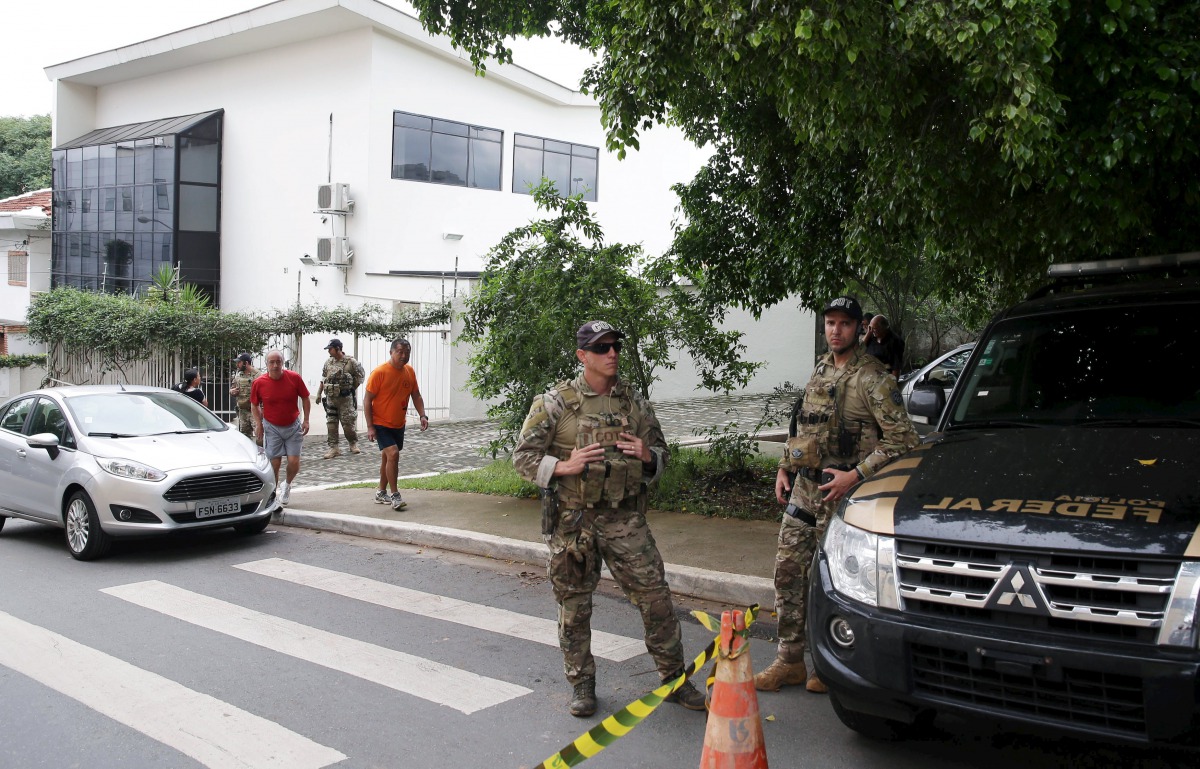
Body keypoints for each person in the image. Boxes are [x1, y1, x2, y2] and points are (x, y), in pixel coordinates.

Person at [512, 320, 706, 717]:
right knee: (574, 606)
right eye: (601, 348)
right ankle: (582, 684)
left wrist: (649, 456)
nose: (612, 353)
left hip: (625, 520)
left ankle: (674, 680)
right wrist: (565, 465)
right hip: (573, 523)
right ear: (583, 356)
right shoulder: (555, 403)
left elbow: (663, 455)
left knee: (656, 600)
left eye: (615, 345)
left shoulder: (634, 404)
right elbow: (522, 458)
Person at [757, 297, 918, 695]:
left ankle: (826, 663)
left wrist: (854, 476)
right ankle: (789, 660)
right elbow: (805, 425)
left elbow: (904, 441)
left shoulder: (875, 378)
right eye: (830, 323)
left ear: (860, 328)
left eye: (844, 324)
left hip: (846, 498)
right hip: (807, 489)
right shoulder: (822, 368)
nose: (835, 331)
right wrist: (785, 467)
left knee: (834, 582)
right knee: (788, 573)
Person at [363, 338, 428, 511]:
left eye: (407, 352)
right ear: (391, 352)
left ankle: (381, 492)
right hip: (380, 422)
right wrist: (370, 426)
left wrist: (423, 415)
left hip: (398, 423)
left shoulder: (409, 372)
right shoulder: (380, 372)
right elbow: (367, 400)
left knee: (387, 457)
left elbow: (416, 395)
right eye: (400, 352)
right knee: (393, 454)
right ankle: (395, 495)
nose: (404, 355)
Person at [250, 350, 311, 509]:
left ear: (283, 363)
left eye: (278, 361)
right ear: (266, 364)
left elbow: (305, 397)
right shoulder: (259, 382)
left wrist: (306, 420)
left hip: (292, 425)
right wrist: (259, 424)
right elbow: (254, 404)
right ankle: (273, 497)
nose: (275, 365)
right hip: (272, 427)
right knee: (274, 463)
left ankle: (287, 484)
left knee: (293, 461)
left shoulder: (294, 378)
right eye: (272, 362)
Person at [318, 338, 366, 459]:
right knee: (331, 423)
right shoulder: (328, 362)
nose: (329, 351)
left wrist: (351, 388)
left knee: (348, 424)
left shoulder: (351, 362)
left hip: (345, 399)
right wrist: (319, 394)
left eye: (330, 349)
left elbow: (361, 376)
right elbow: (324, 379)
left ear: (338, 349)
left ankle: (353, 443)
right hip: (331, 398)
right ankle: (334, 448)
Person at [229, 353, 260, 443]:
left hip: (254, 411)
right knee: (244, 438)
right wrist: (232, 392)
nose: (237, 365)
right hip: (243, 411)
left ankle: (262, 454)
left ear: (246, 363)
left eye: (239, 362)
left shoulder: (257, 375)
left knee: (260, 436)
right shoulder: (238, 375)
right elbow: (232, 388)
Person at [863, 314, 905, 378]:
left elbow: (896, 367)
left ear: (884, 328)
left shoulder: (895, 342)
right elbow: (859, 348)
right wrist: (868, 333)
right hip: (866, 374)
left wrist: (892, 385)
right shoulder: (871, 336)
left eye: (874, 328)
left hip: (882, 377)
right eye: (870, 327)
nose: (872, 330)